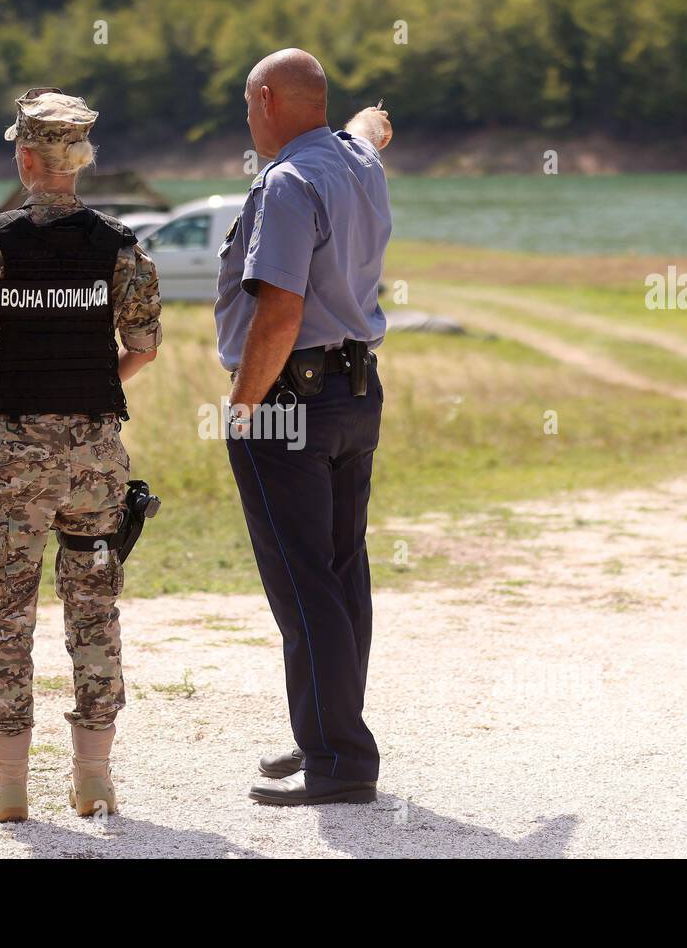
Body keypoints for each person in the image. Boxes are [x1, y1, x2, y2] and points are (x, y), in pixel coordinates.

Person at [0, 87, 161, 822]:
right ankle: (94, 780)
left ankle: (7, 789)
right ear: (80, 159)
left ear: (25, 157)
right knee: (93, 606)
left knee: (7, 614)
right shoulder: (122, 247)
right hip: (94, 453)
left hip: (10, 453)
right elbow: (145, 348)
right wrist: (91, 387)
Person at [214, 48, 393, 805]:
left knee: (302, 582)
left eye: (247, 104)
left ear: (264, 99)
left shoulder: (288, 183)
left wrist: (243, 405)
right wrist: (370, 123)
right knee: (340, 571)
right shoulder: (356, 160)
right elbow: (364, 129)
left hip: (291, 403)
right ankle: (329, 731)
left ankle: (338, 759)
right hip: (356, 392)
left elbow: (279, 310)